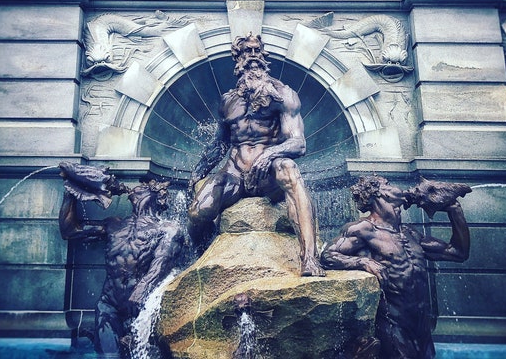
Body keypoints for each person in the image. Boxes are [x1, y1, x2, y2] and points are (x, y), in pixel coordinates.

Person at [187, 33, 325, 277]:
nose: (252, 58)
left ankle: (310, 260)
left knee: (289, 168)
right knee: (198, 212)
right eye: (246, 53)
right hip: (235, 173)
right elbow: (220, 143)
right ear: (237, 60)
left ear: (264, 56)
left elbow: (298, 143)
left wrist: (269, 154)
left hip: (269, 175)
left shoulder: (283, 94)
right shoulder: (227, 101)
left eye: (256, 51)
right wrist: (199, 170)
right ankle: (200, 261)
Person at [321, 175, 471, 359]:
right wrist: (362, 262)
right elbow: (327, 255)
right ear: (377, 194)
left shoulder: (410, 233)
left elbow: (458, 253)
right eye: (388, 184)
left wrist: (454, 209)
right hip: (392, 326)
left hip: (421, 327)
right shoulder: (362, 229)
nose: (396, 187)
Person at [59, 165, 184, 357]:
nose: (134, 188)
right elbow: (69, 231)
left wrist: (143, 288)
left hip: (143, 306)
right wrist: (72, 192)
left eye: (142, 186)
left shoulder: (168, 229)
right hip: (109, 304)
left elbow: (162, 262)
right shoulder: (114, 224)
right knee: (109, 356)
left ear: (157, 194)